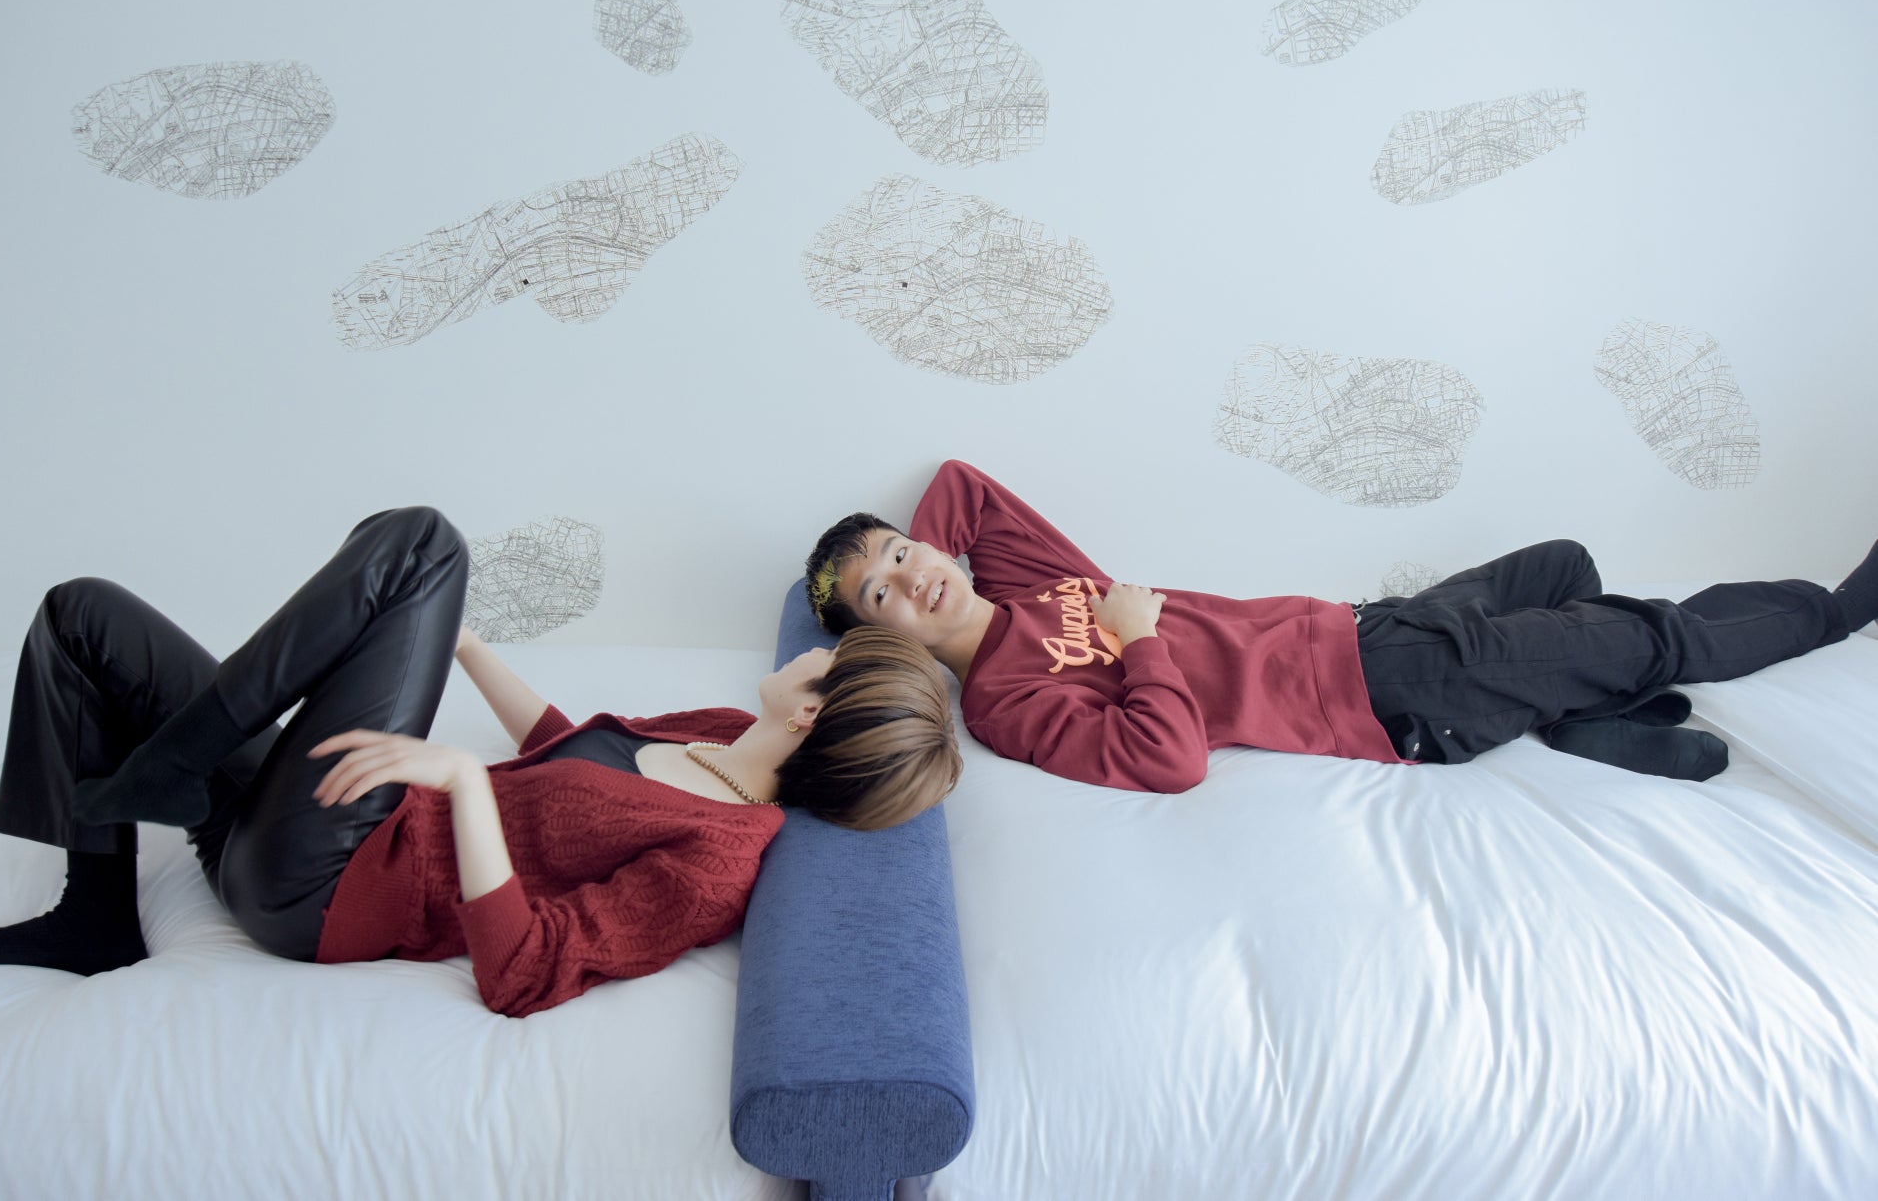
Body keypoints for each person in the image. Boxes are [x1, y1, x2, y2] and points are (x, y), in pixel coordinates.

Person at [0, 507, 961, 1016]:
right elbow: (569, 754)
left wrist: (463, 781)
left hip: (324, 885)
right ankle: (96, 912)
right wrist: (459, 645)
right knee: (81, 617)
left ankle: (179, 763)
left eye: (831, 656)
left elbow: (523, 973)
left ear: (814, 712)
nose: (813, 648)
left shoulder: (717, 863)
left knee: (424, 543)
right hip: (318, 810)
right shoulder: (720, 728)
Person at [803, 459, 1878, 792]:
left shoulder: (1031, 587)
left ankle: (1571, 717)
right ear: (880, 640)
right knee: (1652, 632)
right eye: (881, 593)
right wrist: (1137, 642)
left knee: (1562, 565)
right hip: (1392, 694)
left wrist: (914, 564)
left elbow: (965, 486)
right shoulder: (1003, 699)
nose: (909, 575)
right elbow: (1166, 760)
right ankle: (1838, 612)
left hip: (1367, 628)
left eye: (901, 551)